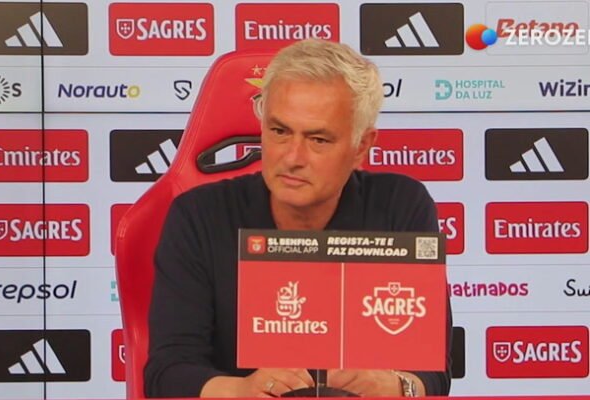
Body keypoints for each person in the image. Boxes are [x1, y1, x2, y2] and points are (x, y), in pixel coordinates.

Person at [144, 39, 452, 398]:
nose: (292, 158)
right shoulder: (198, 215)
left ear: (361, 147)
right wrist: (241, 390)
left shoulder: (401, 205)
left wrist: (396, 386)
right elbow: (167, 373)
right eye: (279, 131)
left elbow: (432, 373)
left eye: (318, 140)